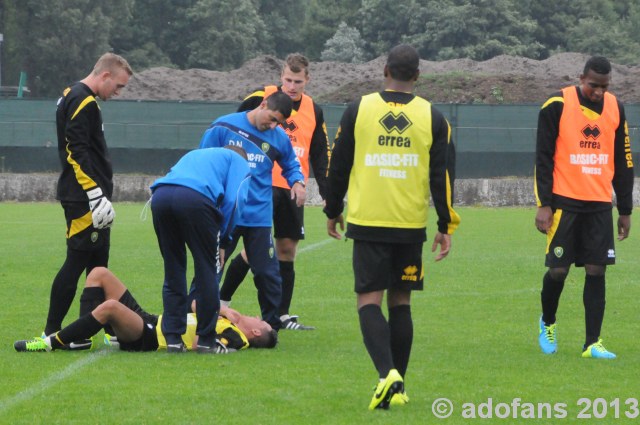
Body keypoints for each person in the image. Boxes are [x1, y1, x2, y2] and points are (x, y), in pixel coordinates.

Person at [323, 44, 460, 410]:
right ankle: (397, 386)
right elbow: (442, 176)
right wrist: (446, 223)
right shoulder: (433, 117)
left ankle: (387, 376)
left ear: (385, 70)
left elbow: (338, 166)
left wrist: (332, 209)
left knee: (369, 300)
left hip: (368, 221)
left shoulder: (359, 109)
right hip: (409, 225)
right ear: (417, 76)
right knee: (401, 302)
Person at [219, 53, 330, 330]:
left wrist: (327, 191)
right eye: (288, 80)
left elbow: (319, 152)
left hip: (293, 187)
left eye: (298, 81)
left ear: (307, 80)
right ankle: (220, 299)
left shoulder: (314, 110)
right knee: (252, 249)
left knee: (286, 249)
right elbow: (235, 127)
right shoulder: (261, 96)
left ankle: (281, 314)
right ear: (281, 77)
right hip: (260, 185)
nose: (292, 86)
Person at [534, 56, 634, 360]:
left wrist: (625, 209)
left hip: (600, 205)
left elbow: (624, 161)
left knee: (597, 269)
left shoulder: (616, 107)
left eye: (604, 87)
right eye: (593, 86)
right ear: (581, 79)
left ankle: (592, 343)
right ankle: (547, 323)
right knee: (558, 271)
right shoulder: (557, 104)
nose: (599, 92)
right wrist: (544, 204)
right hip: (564, 203)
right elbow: (543, 157)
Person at [44, 53, 133, 346]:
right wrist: (94, 194)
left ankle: (103, 330)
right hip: (84, 198)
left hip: (90, 196)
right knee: (77, 261)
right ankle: (51, 332)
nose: (118, 93)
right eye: (118, 86)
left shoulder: (75, 94)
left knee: (99, 267)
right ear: (105, 75)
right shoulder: (83, 99)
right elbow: (75, 150)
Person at [199, 91, 306, 331]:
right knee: (212, 267)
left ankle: (270, 325)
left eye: (278, 122)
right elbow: (203, 161)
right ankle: (200, 317)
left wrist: (297, 182)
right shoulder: (224, 126)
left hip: (259, 216)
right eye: (272, 118)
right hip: (226, 214)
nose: (273, 125)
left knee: (267, 273)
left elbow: (290, 164)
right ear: (263, 104)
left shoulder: (278, 137)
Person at [14, 267, 277, 353]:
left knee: (110, 308)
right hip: (153, 320)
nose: (255, 315)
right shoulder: (230, 321)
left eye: (259, 320)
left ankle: (51, 342)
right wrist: (222, 311)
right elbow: (196, 304)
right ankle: (81, 340)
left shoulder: (238, 338)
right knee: (99, 274)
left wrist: (222, 321)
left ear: (255, 331)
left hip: (150, 336)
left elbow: (201, 344)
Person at [150, 145, 251, 353]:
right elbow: (235, 200)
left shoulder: (197, 153)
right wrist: (224, 241)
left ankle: (173, 339)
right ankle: (206, 339)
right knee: (208, 269)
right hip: (194, 200)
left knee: (173, 268)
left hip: (160, 197)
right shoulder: (239, 161)